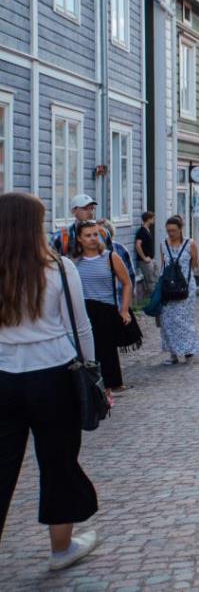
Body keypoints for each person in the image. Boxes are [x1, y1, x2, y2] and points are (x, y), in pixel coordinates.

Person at [0, 192, 100, 571]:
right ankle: (61, 548)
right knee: (58, 460)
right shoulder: (58, 268)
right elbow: (81, 326)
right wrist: (93, 370)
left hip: (3, 376)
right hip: (54, 376)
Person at [72, 220, 134, 393]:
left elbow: (127, 283)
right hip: (83, 309)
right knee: (84, 350)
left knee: (106, 350)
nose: (92, 239)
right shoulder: (74, 261)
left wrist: (124, 309)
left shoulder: (110, 257)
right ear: (79, 239)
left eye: (95, 235)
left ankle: (108, 388)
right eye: (88, 235)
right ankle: (88, 386)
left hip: (105, 309)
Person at [159, 216, 199, 366]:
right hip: (169, 288)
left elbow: (195, 264)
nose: (171, 233)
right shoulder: (163, 244)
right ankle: (173, 353)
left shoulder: (190, 244)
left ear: (180, 229)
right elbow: (163, 265)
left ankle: (189, 351)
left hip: (186, 287)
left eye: (174, 231)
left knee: (184, 319)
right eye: (168, 231)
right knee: (168, 320)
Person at [134, 211, 157, 302]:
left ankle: (151, 298)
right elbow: (138, 245)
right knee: (150, 281)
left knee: (154, 278)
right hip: (145, 261)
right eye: (153, 218)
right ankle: (151, 301)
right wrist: (144, 257)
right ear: (148, 219)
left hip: (151, 259)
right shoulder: (142, 231)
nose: (154, 220)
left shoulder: (147, 230)